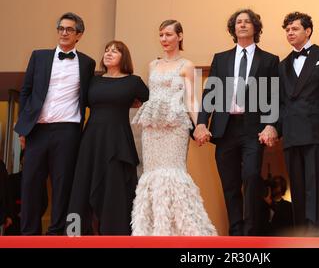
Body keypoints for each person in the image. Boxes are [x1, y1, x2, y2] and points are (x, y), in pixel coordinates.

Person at [194, 9, 279, 236]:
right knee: (230, 184)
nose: (242, 25)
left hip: (253, 129)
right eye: (238, 22)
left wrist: (271, 124)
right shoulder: (221, 58)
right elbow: (209, 92)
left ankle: (251, 232)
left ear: (255, 27)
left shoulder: (269, 60)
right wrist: (202, 123)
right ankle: (236, 232)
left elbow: (273, 96)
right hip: (225, 128)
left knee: (251, 176)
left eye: (247, 22)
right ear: (233, 28)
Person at [131, 20, 216, 236]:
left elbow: (191, 99)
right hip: (153, 127)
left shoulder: (186, 65)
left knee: (174, 173)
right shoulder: (153, 65)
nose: (164, 39)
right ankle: (152, 232)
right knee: (152, 174)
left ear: (179, 36)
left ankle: (185, 231)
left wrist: (200, 125)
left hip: (175, 125)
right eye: (161, 35)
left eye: (168, 34)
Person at [14, 12, 96, 235]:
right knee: (30, 183)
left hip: (68, 131)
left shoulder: (88, 63)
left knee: (63, 185)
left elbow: (90, 96)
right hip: (37, 130)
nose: (64, 33)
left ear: (79, 35)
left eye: (69, 29)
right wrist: (23, 129)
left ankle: (56, 234)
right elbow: (26, 92)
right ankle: (29, 235)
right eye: (61, 28)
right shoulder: (39, 56)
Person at [67, 40, 149, 235]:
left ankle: (116, 238)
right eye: (107, 50)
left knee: (115, 190)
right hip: (91, 141)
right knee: (81, 186)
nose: (109, 53)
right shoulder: (93, 80)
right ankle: (74, 235)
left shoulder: (134, 81)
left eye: (115, 51)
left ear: (124, 57)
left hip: (118, 143)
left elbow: (152, 102)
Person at [277, 12, 319, 235]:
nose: (290, 33)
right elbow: (280, 102)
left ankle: (315, 236)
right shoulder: (282, 65)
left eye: (295, 29)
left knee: (316, 187)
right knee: (298, 189)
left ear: (308, 30)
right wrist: (275, 128)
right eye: (287, 30)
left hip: (316, 131)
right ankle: (299, 235)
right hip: (292, 133)